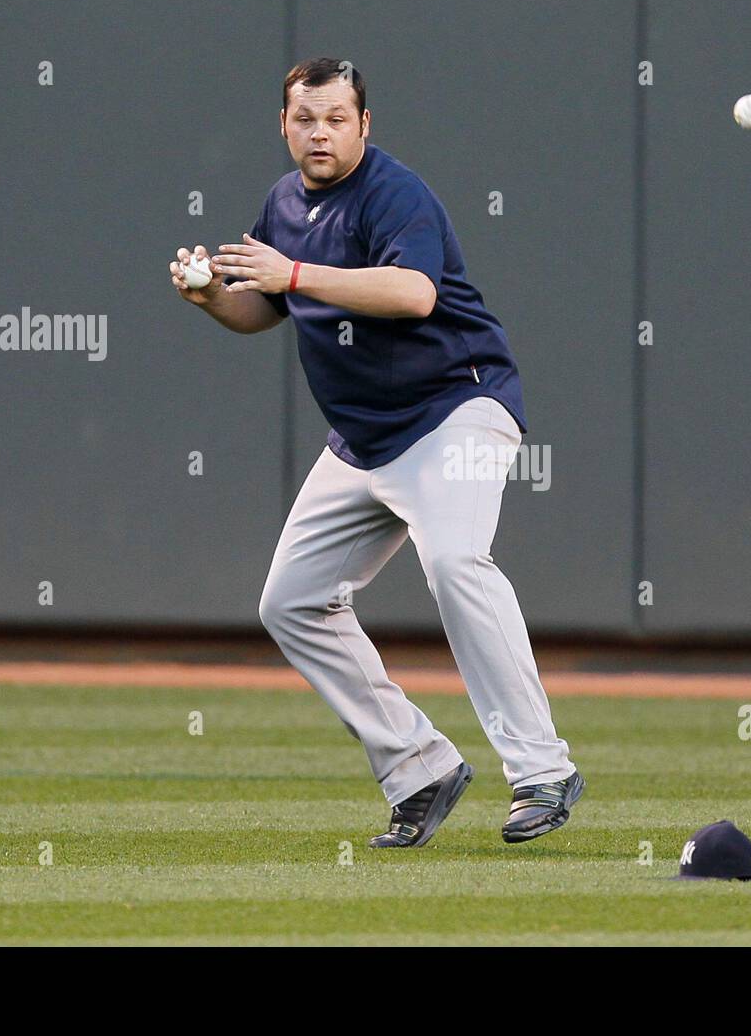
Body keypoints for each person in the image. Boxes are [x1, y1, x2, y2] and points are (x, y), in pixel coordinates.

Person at [169, 58, 582, 847]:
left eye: (335, 118)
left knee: (457, 563)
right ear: (283, 125)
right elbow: (267, 310)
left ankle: (543, 770)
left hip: (455, 410)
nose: (319, 132)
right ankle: (419, 765)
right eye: (304, 118)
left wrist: (293, 271)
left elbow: (413, 293)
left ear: (365, 126)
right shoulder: (283, 202)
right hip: (363, 440)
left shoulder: (395, 193)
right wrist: (214, 296)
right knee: (289, 600)